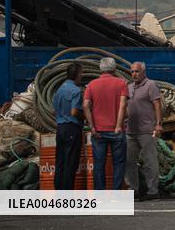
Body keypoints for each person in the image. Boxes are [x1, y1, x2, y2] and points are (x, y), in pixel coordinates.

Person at [83, 57, 128, 190]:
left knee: (99, 164)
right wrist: (118, 126)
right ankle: (116, 195)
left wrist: (92, 127)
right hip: (116, 131)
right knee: (118, 163)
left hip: (98, 131)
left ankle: (100, 196)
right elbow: (123, 104)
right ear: (114, 69)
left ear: (100, 69)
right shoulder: (122, 83)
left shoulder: (91, 85)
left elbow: (85, 106)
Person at [125, 61, 162, 201]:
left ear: (143, 72)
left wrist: (158, 124)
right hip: (130, 130)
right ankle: (133, 190)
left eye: (137, 71)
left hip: (146, 130)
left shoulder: (150, 85)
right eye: (132, 71)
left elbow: (157, 105)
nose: (134, 74)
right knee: (129, 162)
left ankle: (153, 191)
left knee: (150, 161)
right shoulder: (129, 87)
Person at [53, 62, 84, 190]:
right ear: (77, 75)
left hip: (60, 129)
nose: (81, 76)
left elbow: (53, 111)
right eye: (81, 73)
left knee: (60, 161)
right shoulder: (76, 91)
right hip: (71, 128)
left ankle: (59, 191)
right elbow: (74, 112)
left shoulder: (59, 90)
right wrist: (85, 117)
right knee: (71, 162)